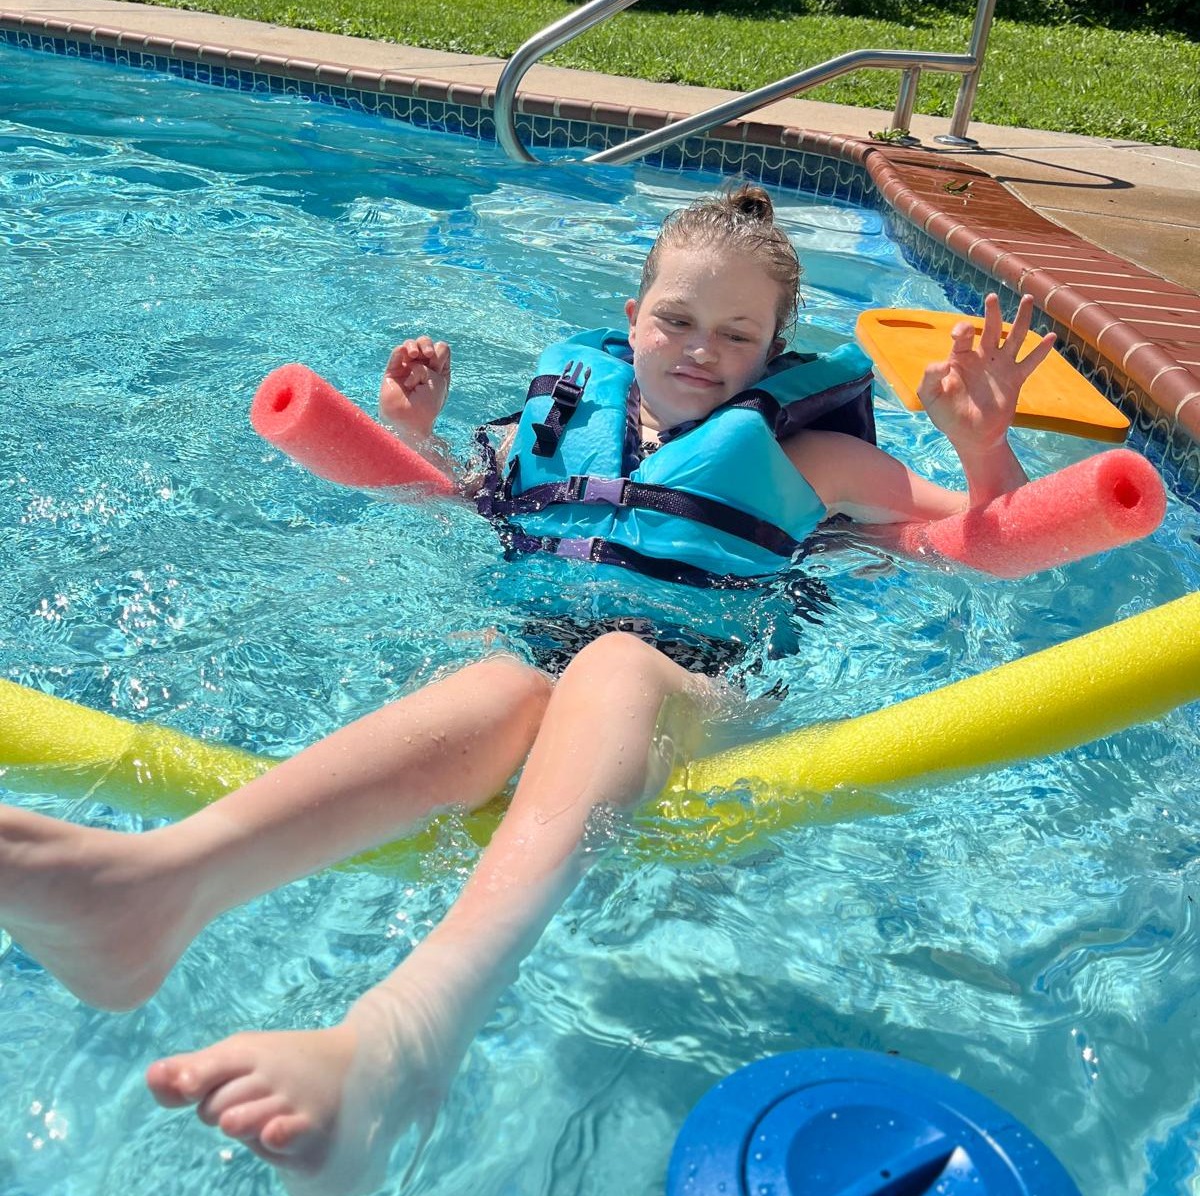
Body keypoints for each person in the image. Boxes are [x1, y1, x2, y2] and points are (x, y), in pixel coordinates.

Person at [0, 184, 1054, 1196]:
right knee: (506, 677)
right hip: (550, 688)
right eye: (678, 319)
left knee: (608, 665)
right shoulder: (555, 422)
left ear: (778, 353)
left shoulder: (818, 457)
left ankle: (411, 1035)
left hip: (712, 699)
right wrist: (411, 430)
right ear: (630, 316)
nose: (701, 349)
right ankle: (155, 887)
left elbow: (986, 544)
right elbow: (450, 507)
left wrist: (983, 442)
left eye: (738, 336)